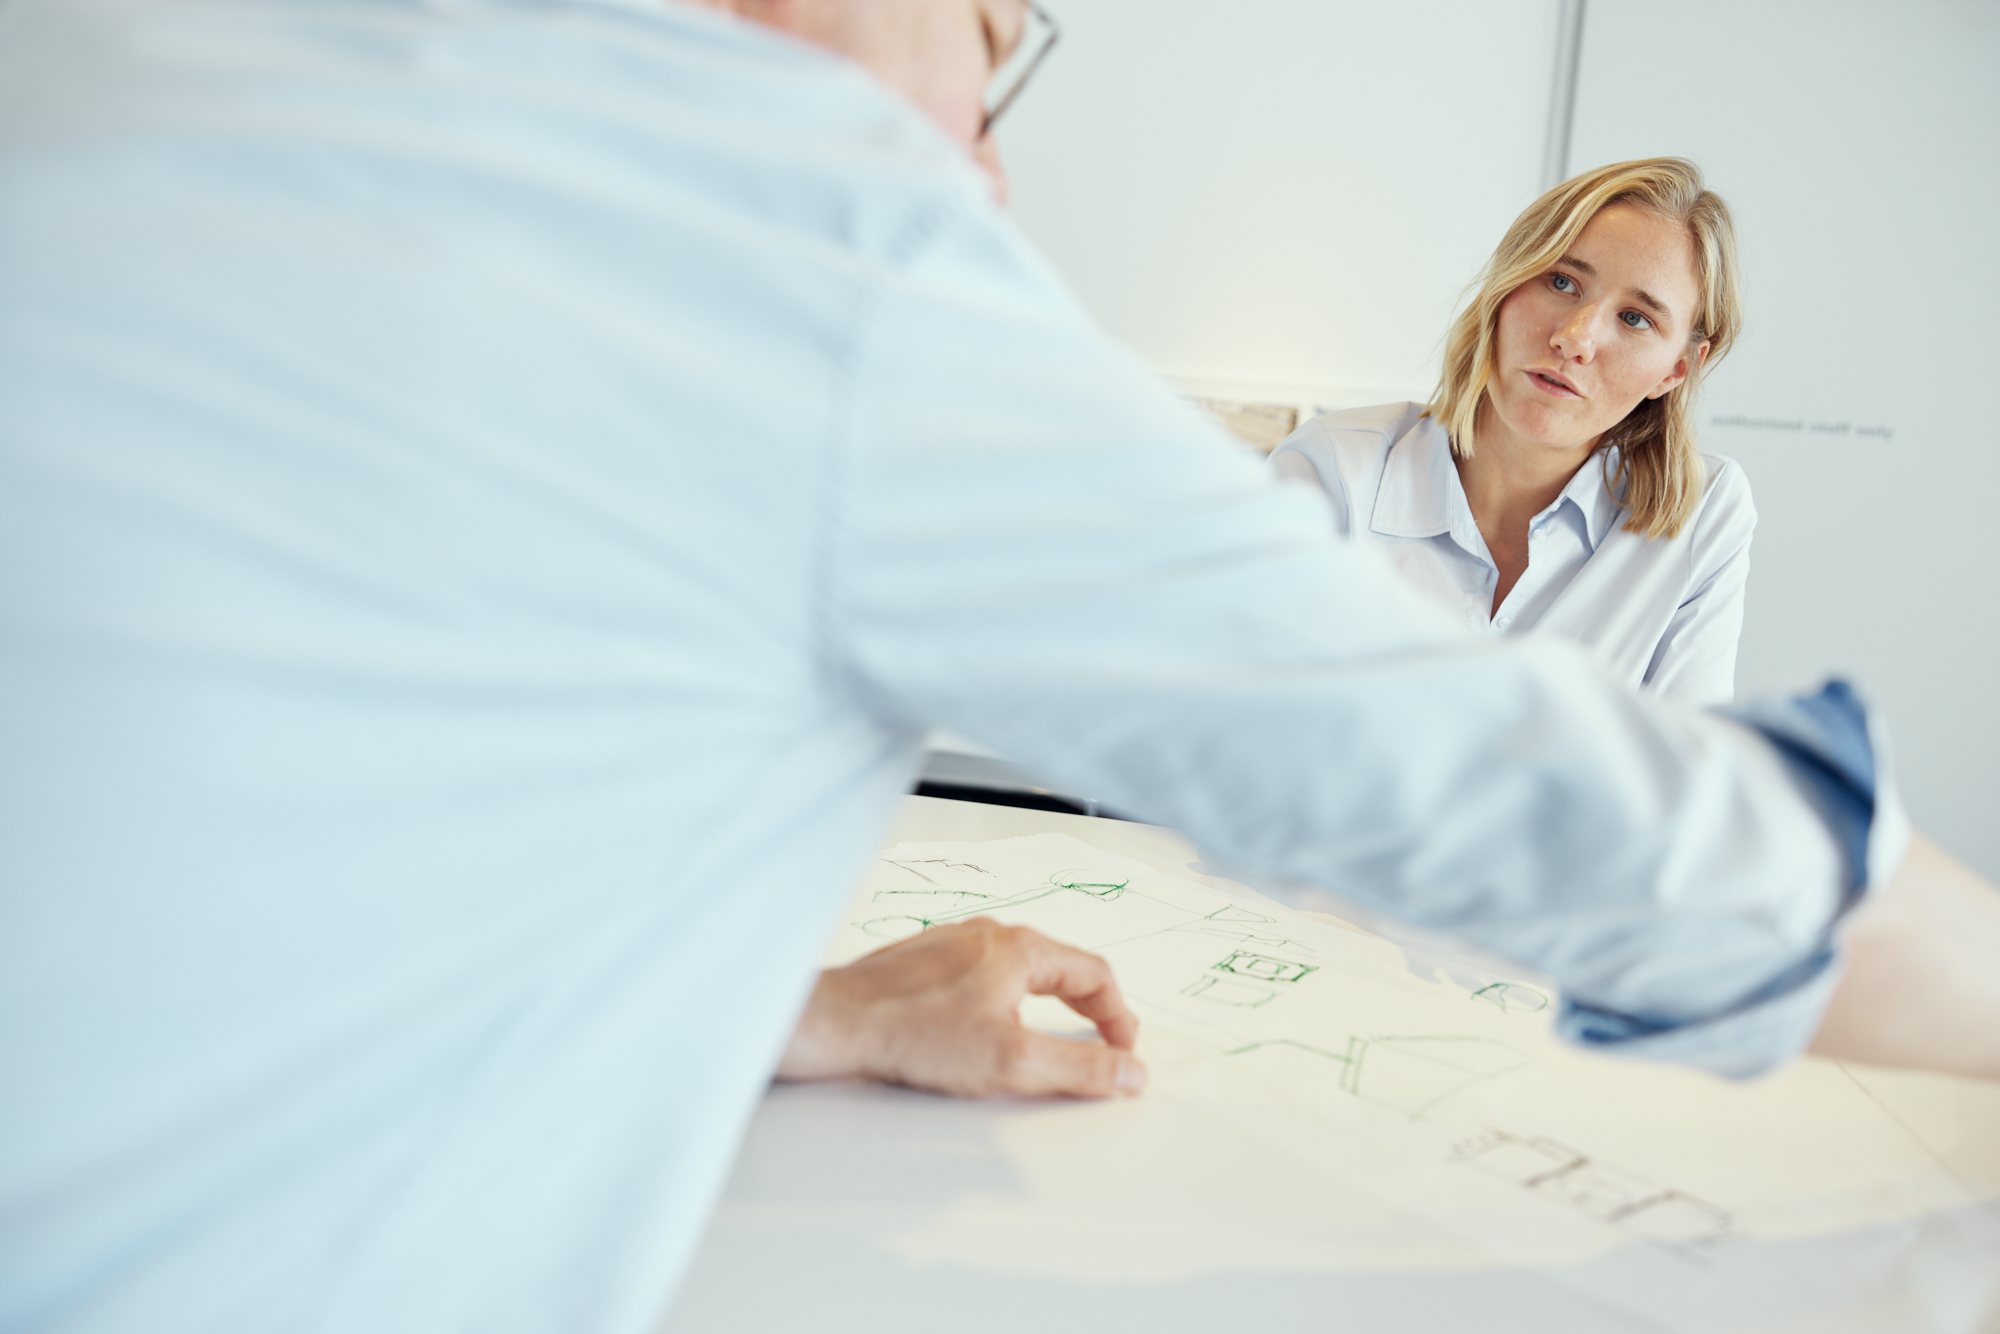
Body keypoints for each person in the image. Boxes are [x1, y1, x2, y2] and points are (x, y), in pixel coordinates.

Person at [1, 1, 1995, 1332]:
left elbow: (255, 888)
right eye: (995, 45)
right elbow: (1557, 814)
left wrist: (800, 1008)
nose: (987, 164)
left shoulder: (139, 63)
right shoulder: (825, 259)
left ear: (1684, 362)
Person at [1271, 159, 1752, 705]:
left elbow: (1679, 771)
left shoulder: (1704, 511)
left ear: (1676, 370)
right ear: (1505, 287)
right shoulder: (1332, 469)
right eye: (1562, 281)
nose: (1575, 339)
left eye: (1635, 318)